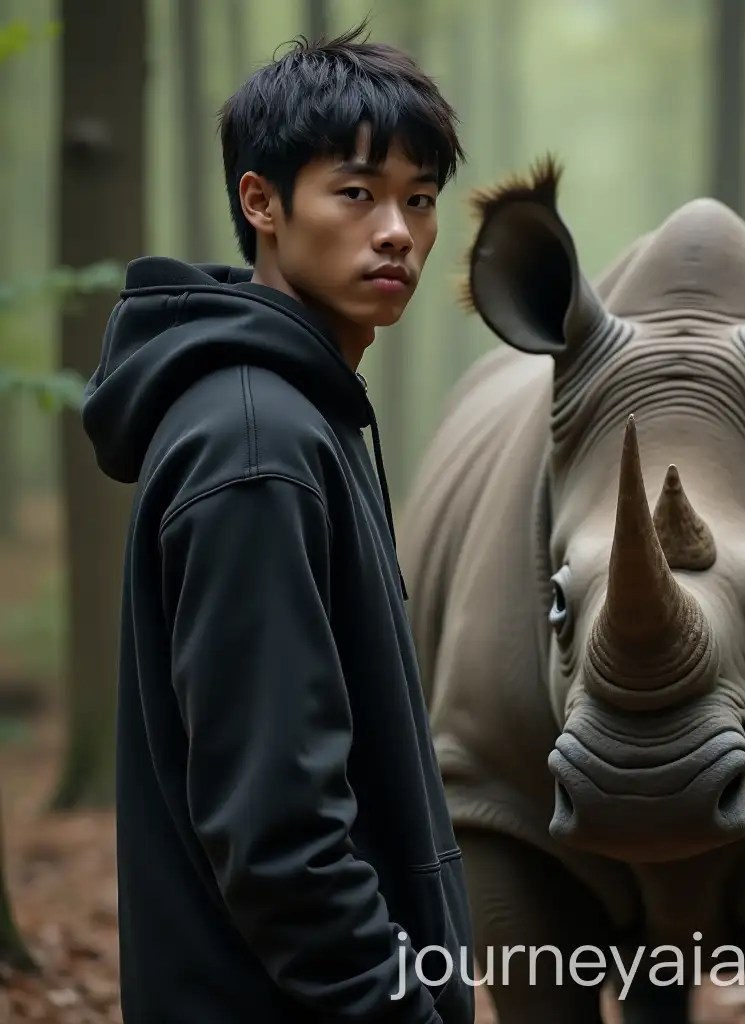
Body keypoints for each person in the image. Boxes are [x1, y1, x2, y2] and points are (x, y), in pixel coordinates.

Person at [81, 23, 475, 1024]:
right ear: (261, 201)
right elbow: (280, 834)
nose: (396, 230)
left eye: (419, 199)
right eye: (357, 192)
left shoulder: (297, 416)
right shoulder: (257, 443)